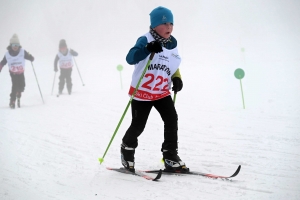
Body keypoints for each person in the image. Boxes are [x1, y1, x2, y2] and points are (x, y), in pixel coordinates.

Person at [121, 6, 189, 172]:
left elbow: (172, 65)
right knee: (138, 126)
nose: (169, 27)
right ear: (154, 25)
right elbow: (130, 58)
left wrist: (176, 78)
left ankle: (170, 156)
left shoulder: (172, 44)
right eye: (164, 23)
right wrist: (146, 49)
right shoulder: (145, 39)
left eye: (171, 23)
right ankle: (127, 151)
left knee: (172, 119)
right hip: (142, 93)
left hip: (161, 92)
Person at [0, 34, 34, 109]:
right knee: (14, 86)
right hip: (13, 73)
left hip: (21, 72)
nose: (15, 46)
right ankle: (12, 101)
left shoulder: (22, 52)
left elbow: (28, 56)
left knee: (22, 86)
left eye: (17, 45)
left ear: (19, 45)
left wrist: (31, 58)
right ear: (11, 45)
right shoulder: (7, 54)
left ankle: (19, 92)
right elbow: (3, 62)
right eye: (14, 45)